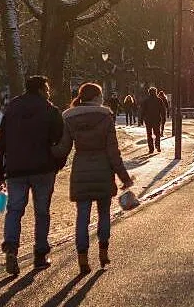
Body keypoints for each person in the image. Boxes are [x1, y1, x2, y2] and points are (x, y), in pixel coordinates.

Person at [52, 83, 134, 274]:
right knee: (104, 214)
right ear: (97, 97)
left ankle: (82, 258)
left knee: (82, 216)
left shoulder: (70, 118)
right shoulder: (106, 117)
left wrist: (45, 151)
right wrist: (124, 177)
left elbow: (63, 148)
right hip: (103, 171)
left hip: (81, 170)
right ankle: (103, 253)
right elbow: (113, 152)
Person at [0, 76, 65, 275]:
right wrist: (57, 164)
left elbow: (1, 142)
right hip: (43, 168)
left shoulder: (12, 109)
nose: (49, 92)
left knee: (14, 210)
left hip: (15, 169)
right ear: (42, 89)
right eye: (47, 88)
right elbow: (61, 140)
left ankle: (11, 247)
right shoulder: (50, 110)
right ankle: (40, 254)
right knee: (42, 212)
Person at [141, 87, 166, 153]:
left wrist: (141, 119)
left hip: (148, 120)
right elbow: (163, 110)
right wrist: (164, 118)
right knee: (157, 133)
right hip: (157, 119)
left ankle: (151, 149)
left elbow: (142, 110)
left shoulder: (146, 100)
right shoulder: (159, 100)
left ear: (149, 92)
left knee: (149, 134)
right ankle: (157, 145)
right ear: (156, 92)